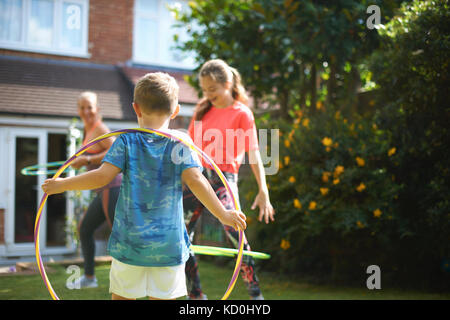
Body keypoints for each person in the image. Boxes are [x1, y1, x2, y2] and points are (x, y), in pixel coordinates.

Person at [42, 72, 247, 300]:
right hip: (168, 246)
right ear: (176, 110)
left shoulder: (126, 141)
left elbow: (101, 177)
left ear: (136, 108)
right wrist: (223, 214)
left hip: (131, 244)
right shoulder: (181, 142)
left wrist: (63, 184)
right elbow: (197, 181)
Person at [184, 59, 275, 300]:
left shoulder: (242, 113)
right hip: (197, 177)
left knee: (236, 233)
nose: (207, 94)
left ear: (228, 84)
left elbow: (254, 153)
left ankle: (255, 296)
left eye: (212, 89)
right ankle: (196, 295)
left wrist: (263, 189)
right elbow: (190, 146)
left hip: (224, 180)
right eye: (204, 90)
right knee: (180, 235)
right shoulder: (203, 109)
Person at [69, 91, 122, 288]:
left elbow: (116, 149)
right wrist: (81, 161)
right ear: (78, 110)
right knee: (84, 228)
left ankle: (129, 280)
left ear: (97, 109)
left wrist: (88, 159)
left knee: (119, 235)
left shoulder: (100, 128)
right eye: (82, 107)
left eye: (89, 107)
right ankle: (90, 278)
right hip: (103, 190)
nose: (86, 111)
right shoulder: (88, 130)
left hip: (113, 187)